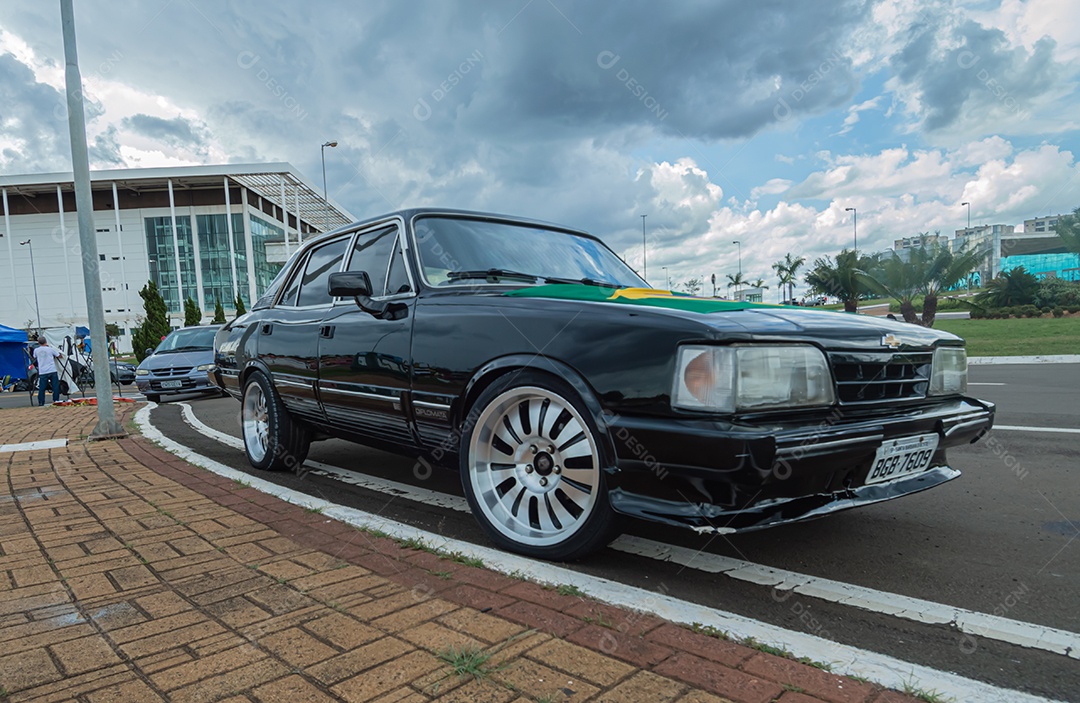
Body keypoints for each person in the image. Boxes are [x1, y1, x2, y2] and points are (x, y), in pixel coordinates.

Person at [33, 337, 64, 405]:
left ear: (38, 342)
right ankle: (56, 400)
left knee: (42, 388)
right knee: (55, 386)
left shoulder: (36, 350)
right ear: (46, 342)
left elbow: (34, 357)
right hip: (52, 370)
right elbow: (59, 356)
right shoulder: (50, 349)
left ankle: (41, 402)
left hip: (42, 371)